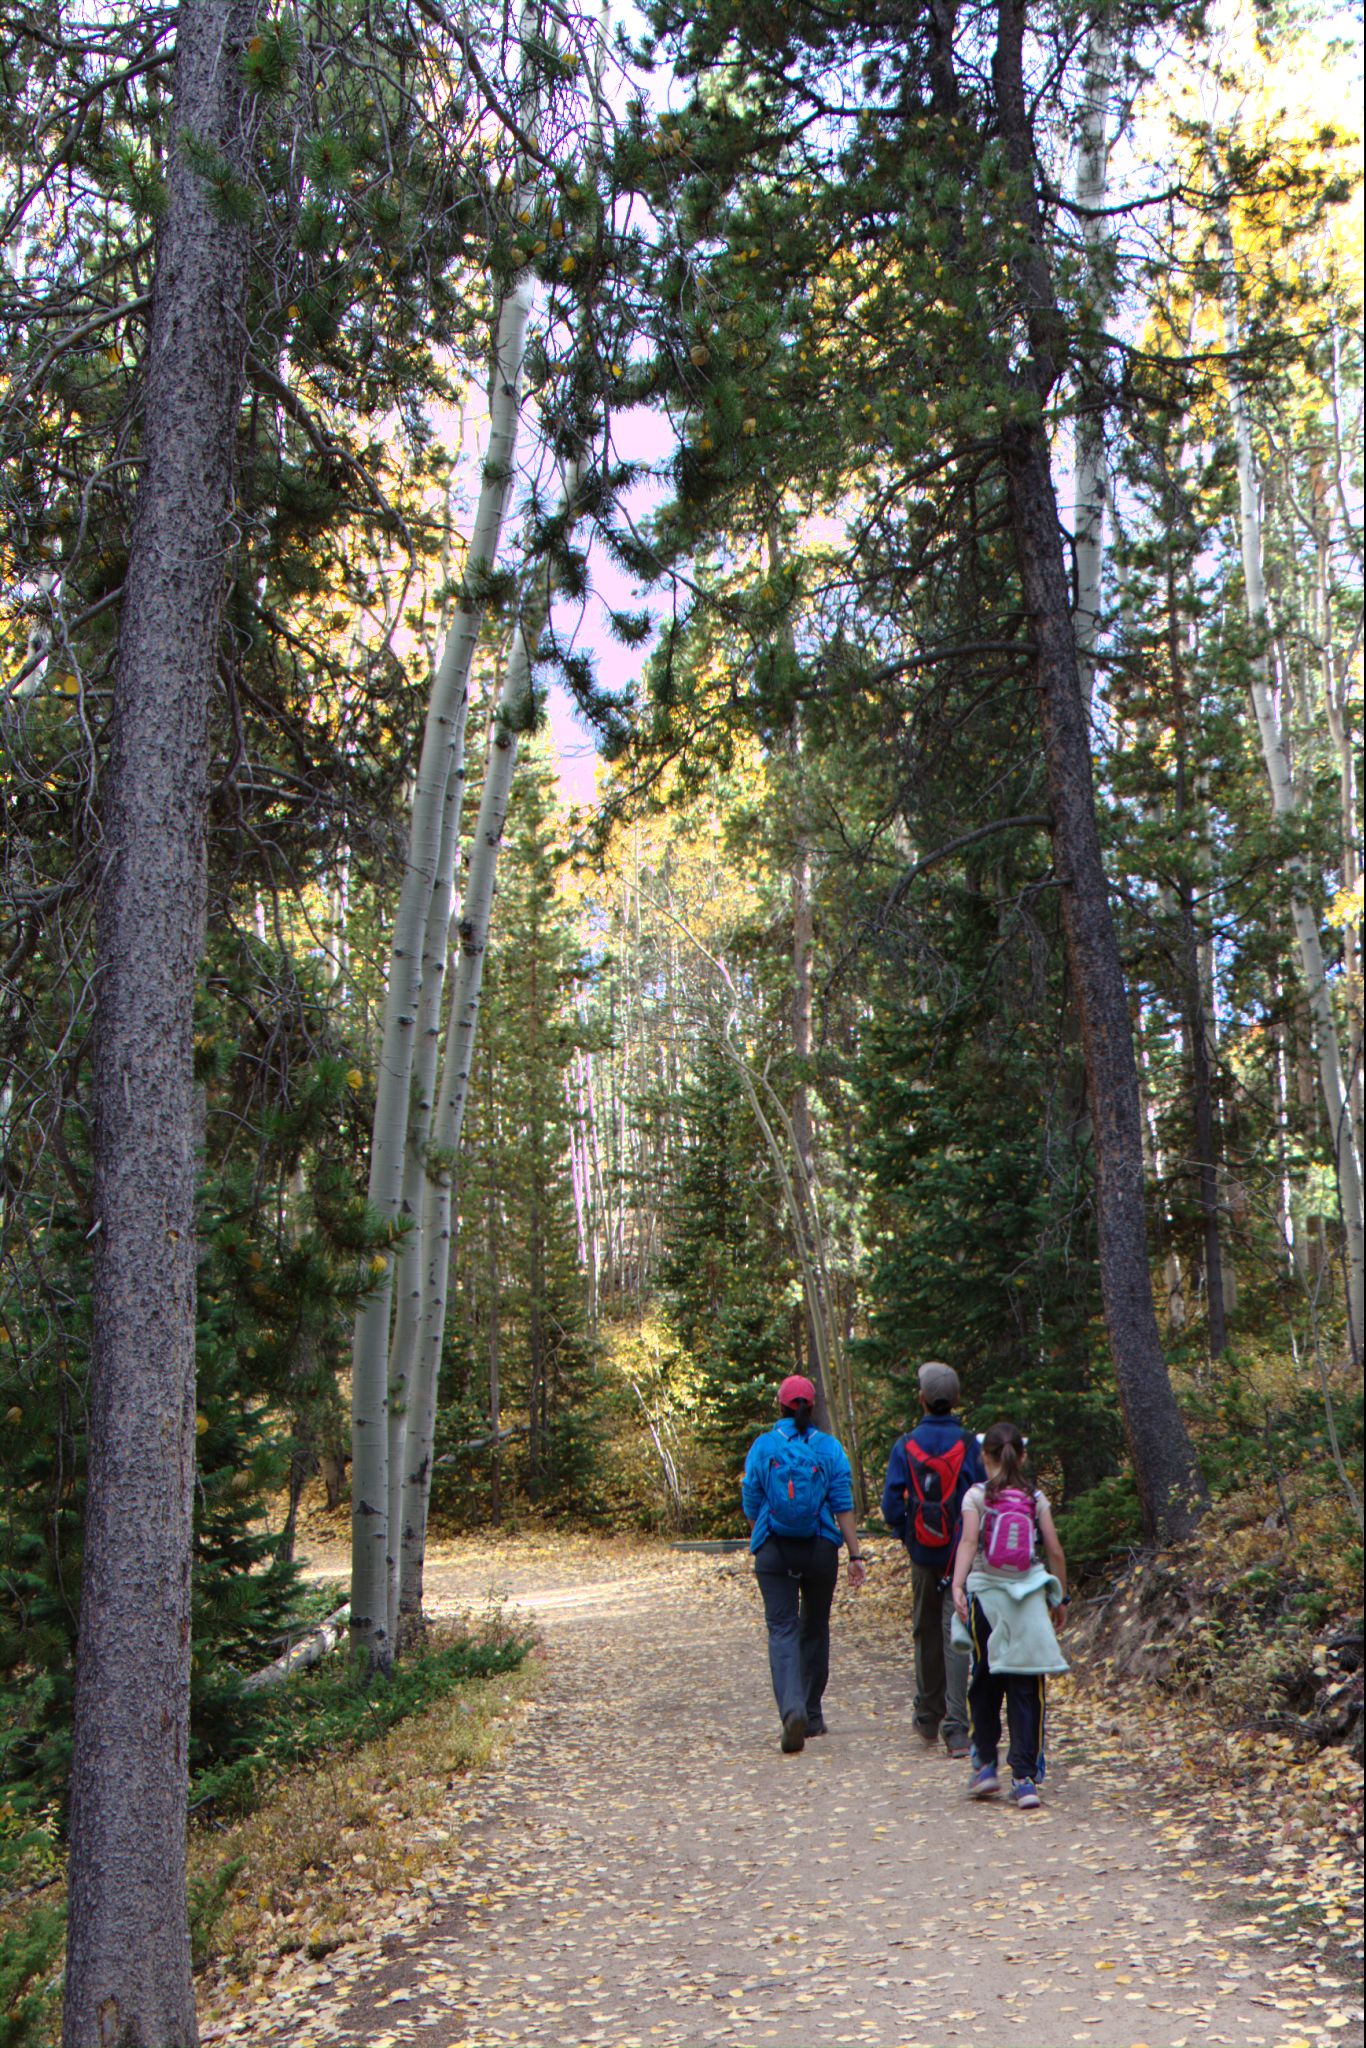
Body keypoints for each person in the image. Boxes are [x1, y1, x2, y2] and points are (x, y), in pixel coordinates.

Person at [742, 1374, 868, 1753]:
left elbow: (751, 1503)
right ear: (812, 1408)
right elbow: (842, 1505)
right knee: (814, 1626)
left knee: (782, 1629)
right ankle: (812, 1714)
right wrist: (855, 1554)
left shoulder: (763, 1447)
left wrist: (762, 1536)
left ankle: (791, 1709)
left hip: (775, 1550)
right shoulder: (829, 1448)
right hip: (819, 1550)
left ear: (780, 1406)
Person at [950, 1419, 1069, 1810]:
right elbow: (1053, 1550)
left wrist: (958, 1584)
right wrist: (1060, 1598)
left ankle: (985, 1764)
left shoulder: (976, 1496)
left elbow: (969, 1541)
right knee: (1027, 1685)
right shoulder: (1035, 1497)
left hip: (986, 1596)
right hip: (1029, 1598)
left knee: (985, 1676)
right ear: (1023, 1456)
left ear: (985, 1458)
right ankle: (1024, 1776)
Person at [880, 1362, 986, 1758]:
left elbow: (892, 1502)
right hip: (962, 1552)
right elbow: (982, 1491)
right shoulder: (968, 1444)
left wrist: (902, 1531)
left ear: (921, 1399)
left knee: (925, 1629)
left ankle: (928, 1716)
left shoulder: (906, 1444)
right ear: (956, 1400)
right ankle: (957, 1729)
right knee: (956, 1629)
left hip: (923, 1552)